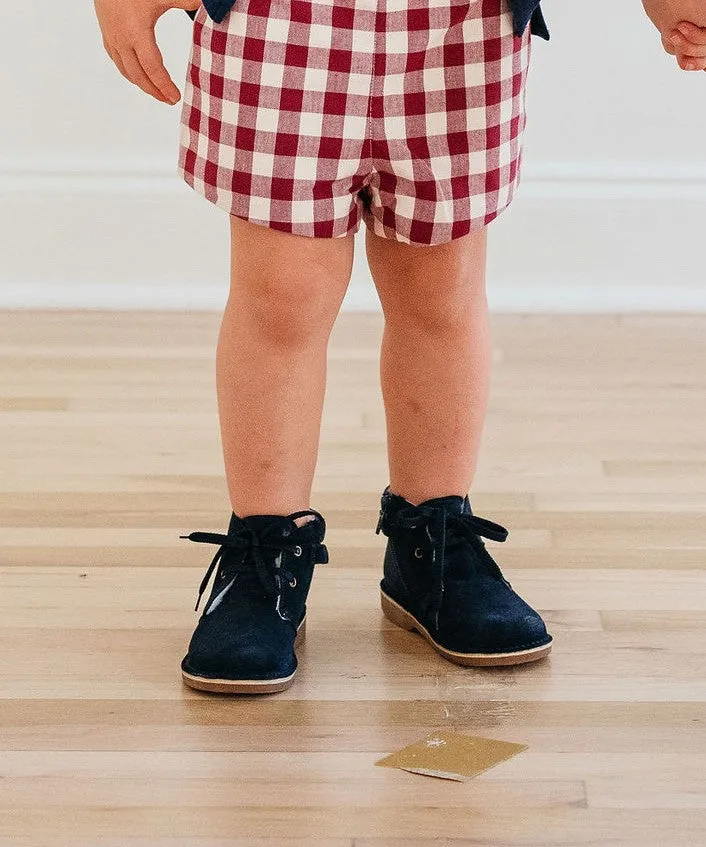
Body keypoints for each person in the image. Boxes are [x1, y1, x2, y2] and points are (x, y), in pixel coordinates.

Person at [93, 0, 706, 694]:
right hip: (279, 19)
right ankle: (263, 545)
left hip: (459, 24)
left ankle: (431, 535)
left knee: (440, 287)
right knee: (282, 293)